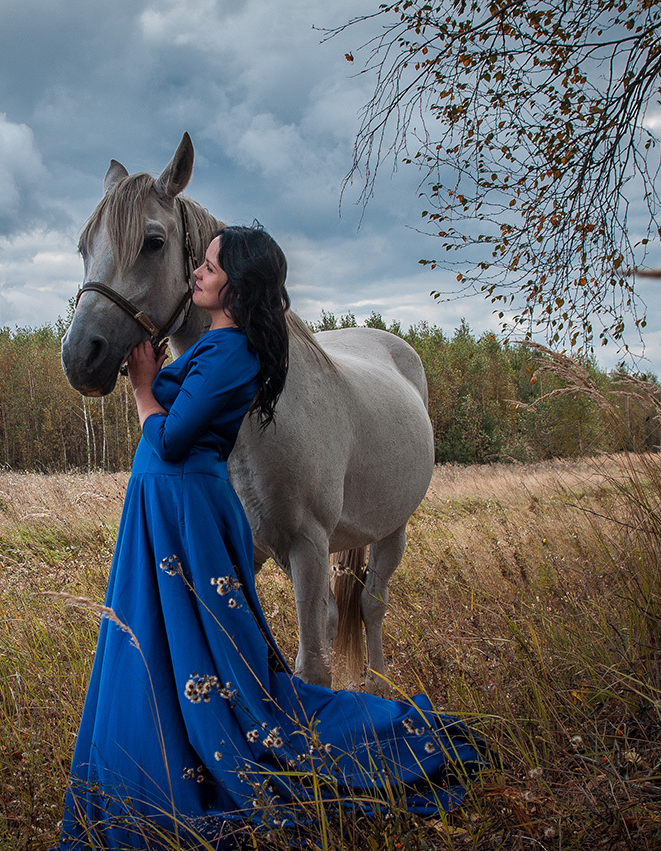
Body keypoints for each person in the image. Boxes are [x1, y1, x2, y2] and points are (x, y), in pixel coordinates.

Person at [58, 224, 484, 850]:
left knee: (201, 636)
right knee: (170, 630)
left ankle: (234, 747)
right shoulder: (210, 346)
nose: (196, 272)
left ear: (238, 286)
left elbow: (172, 435)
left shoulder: (233, 354)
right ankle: (171, 742)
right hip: (162, 500)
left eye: (206, 266)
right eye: (197, 264)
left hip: (181, 496)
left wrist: (146, 388)